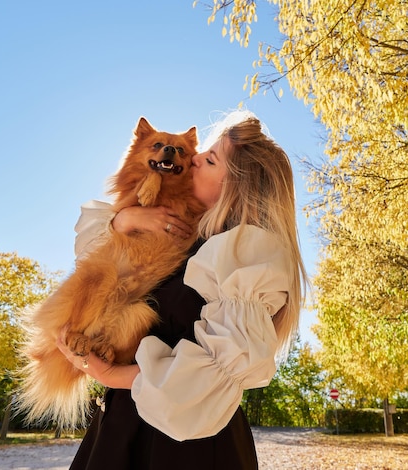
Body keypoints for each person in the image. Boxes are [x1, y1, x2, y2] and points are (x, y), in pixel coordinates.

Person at [57, 110, 308, 469]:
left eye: (208, 160)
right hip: (123, 428)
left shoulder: (241, 254)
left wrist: (109, 375)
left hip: (184, 447)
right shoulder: (183, 232)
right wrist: (124, 219)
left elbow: (212, 373)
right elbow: (94, 260)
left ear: (235, 184)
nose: (191, 160)